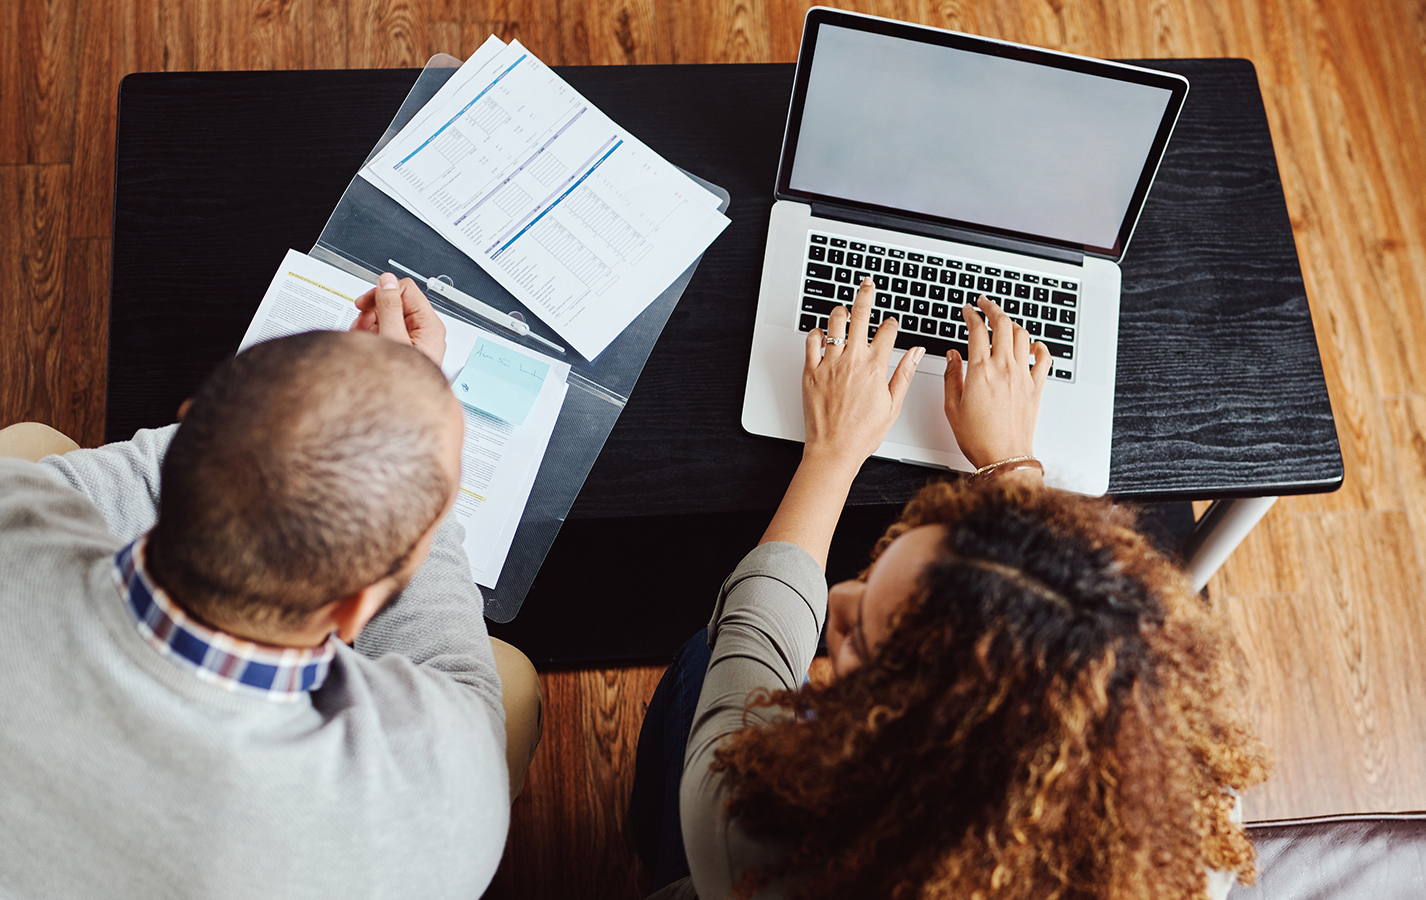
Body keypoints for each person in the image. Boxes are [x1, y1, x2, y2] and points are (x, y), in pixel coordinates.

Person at [631, 279, 1271, 899]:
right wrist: (1012, 469)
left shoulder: (757, 838)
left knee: (699, 660)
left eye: (865, 639)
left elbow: (756, 627)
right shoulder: (1186, 834)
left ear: (926, 756)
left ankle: (640, 842)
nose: (841, 602)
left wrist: (831, 453)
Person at [0, 275, 542, 898]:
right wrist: (412, 486)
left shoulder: (17, 514)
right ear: (357, 608)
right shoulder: (434, 787)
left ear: (192, 419)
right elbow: (461, 684)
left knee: (28, 445)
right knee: (511, 683)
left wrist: (278, 423)